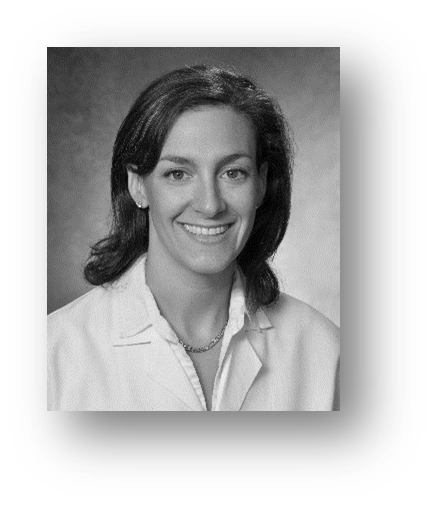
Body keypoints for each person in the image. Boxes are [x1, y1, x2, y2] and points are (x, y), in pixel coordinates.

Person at [47, 65, 340, 411]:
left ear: (261, 183)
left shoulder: (325, 351)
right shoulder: (52, 354)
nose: (210, 205)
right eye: (178, 174)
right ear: (137, 184)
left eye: (233, 173)